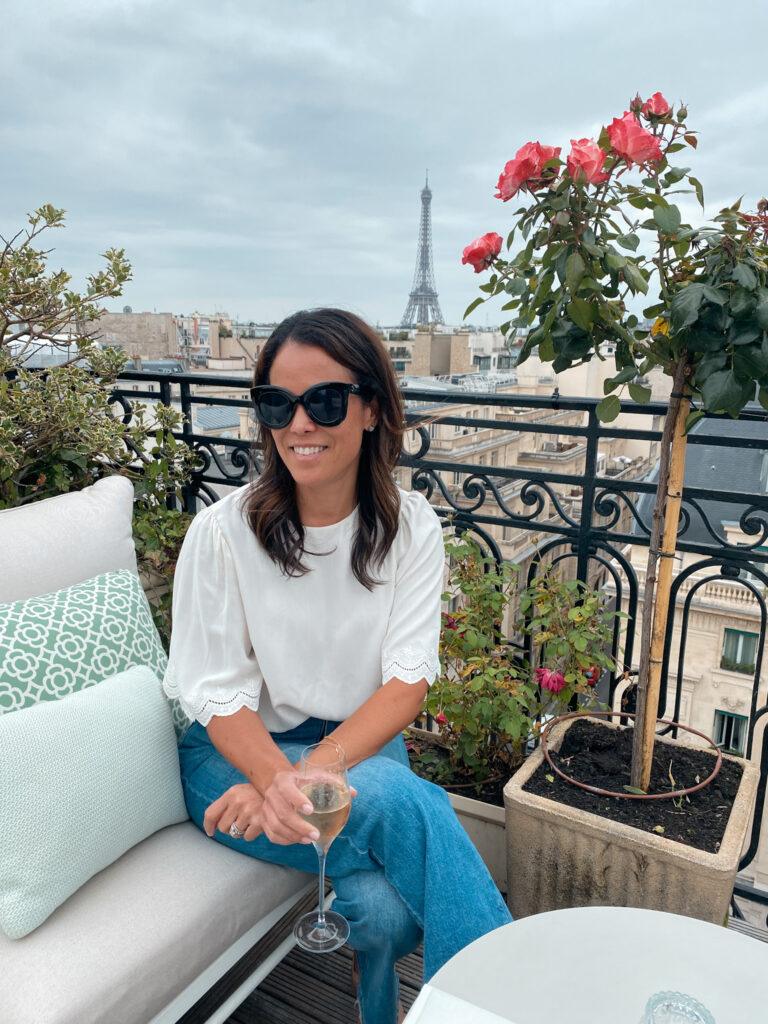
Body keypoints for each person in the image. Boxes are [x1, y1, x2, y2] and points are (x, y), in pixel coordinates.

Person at [164, 308, 511, 1024]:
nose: (298, 425)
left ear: (372, 409)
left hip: (351, 747)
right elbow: (216, 693)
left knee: (382, 912)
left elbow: (407, 679)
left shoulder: (412, 530)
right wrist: (275, 780)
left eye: (323, 401)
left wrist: (307, 776)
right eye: (276, 405)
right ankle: (498, 1003)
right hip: (231, 757)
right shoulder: (223, 534)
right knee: (414, 804)